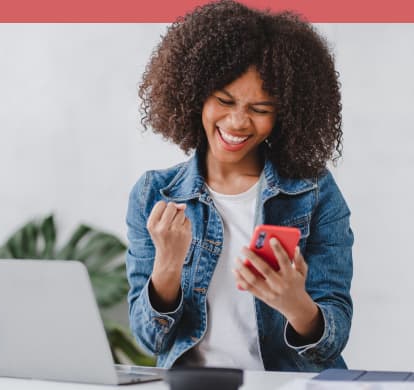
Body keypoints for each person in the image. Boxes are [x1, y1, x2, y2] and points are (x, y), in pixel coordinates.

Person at [125, 0, 353, 372]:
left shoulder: (313, 193)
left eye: (260, 109)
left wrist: (296, 304)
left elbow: (331, 342)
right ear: (195, 94)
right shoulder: (155, 194)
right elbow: (150, 339)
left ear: (284, 115)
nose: (237, 122)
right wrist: (167, 265)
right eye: (224, 101)